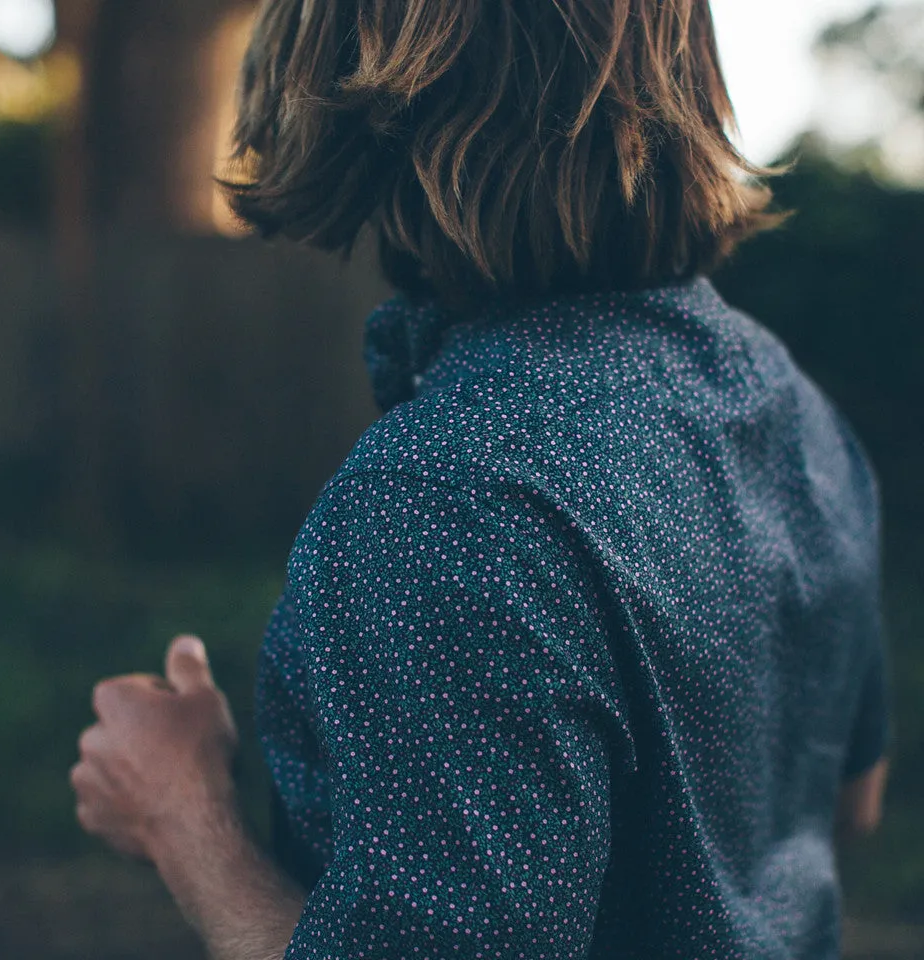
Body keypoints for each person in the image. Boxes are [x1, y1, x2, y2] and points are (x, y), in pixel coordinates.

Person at [70, 1, 892, 958]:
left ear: (366, 73)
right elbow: (850, 806)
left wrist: (178, 812)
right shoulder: (788, 404)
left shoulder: (447, 499)